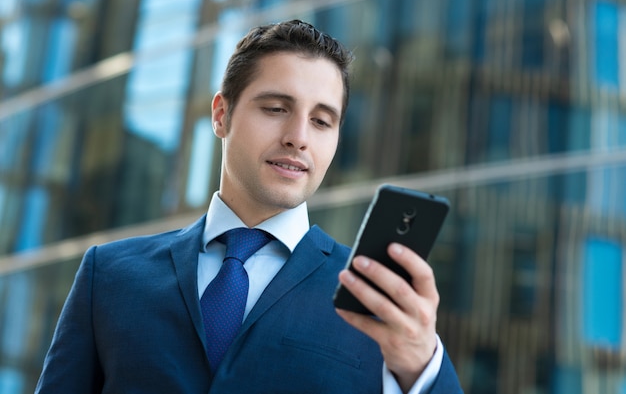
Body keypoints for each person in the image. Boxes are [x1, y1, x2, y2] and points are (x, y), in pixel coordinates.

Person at [36, 20, 463, 393]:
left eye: (321, 121)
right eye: (276, 108)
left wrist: (421, 366)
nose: (299, 137)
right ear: (221, 114)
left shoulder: (373, 301)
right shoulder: (108, 275)